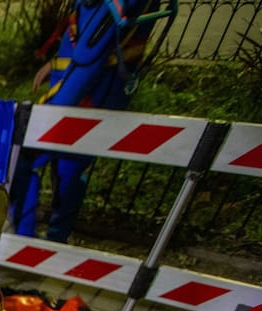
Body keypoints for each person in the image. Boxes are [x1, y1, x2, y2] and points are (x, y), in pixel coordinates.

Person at [10, 0, 172, 241]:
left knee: (25, 159)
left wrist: (45, 115)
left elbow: (89, 60)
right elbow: (87, 43)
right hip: (88, 96)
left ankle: (23, 247)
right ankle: (52, 242)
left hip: (83, 100)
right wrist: (56, 64)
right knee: (69, 170)